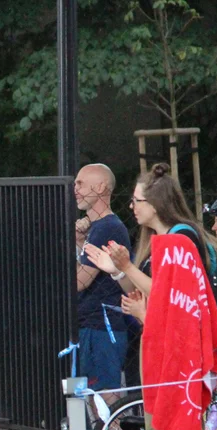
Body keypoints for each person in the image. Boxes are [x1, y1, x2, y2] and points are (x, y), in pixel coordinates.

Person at [86, 163, 217, 430]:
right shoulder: (159, 242)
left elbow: (171, 297)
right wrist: (118, 272)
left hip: (178, 357)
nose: (132, 207)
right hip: (158, 347)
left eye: (136, 201)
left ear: (155, 202)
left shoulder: (179, 241)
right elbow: (156, 290)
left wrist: (126, 269)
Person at [74, 163, 131, 404]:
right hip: (92, 324)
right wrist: (78, 242)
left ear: (100, 187)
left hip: (102, 327)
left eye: (80, 184)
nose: (75, 189)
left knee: (106, 399)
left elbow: (80, 281)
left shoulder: (107, 227)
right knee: (90, 397)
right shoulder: (96, 228)